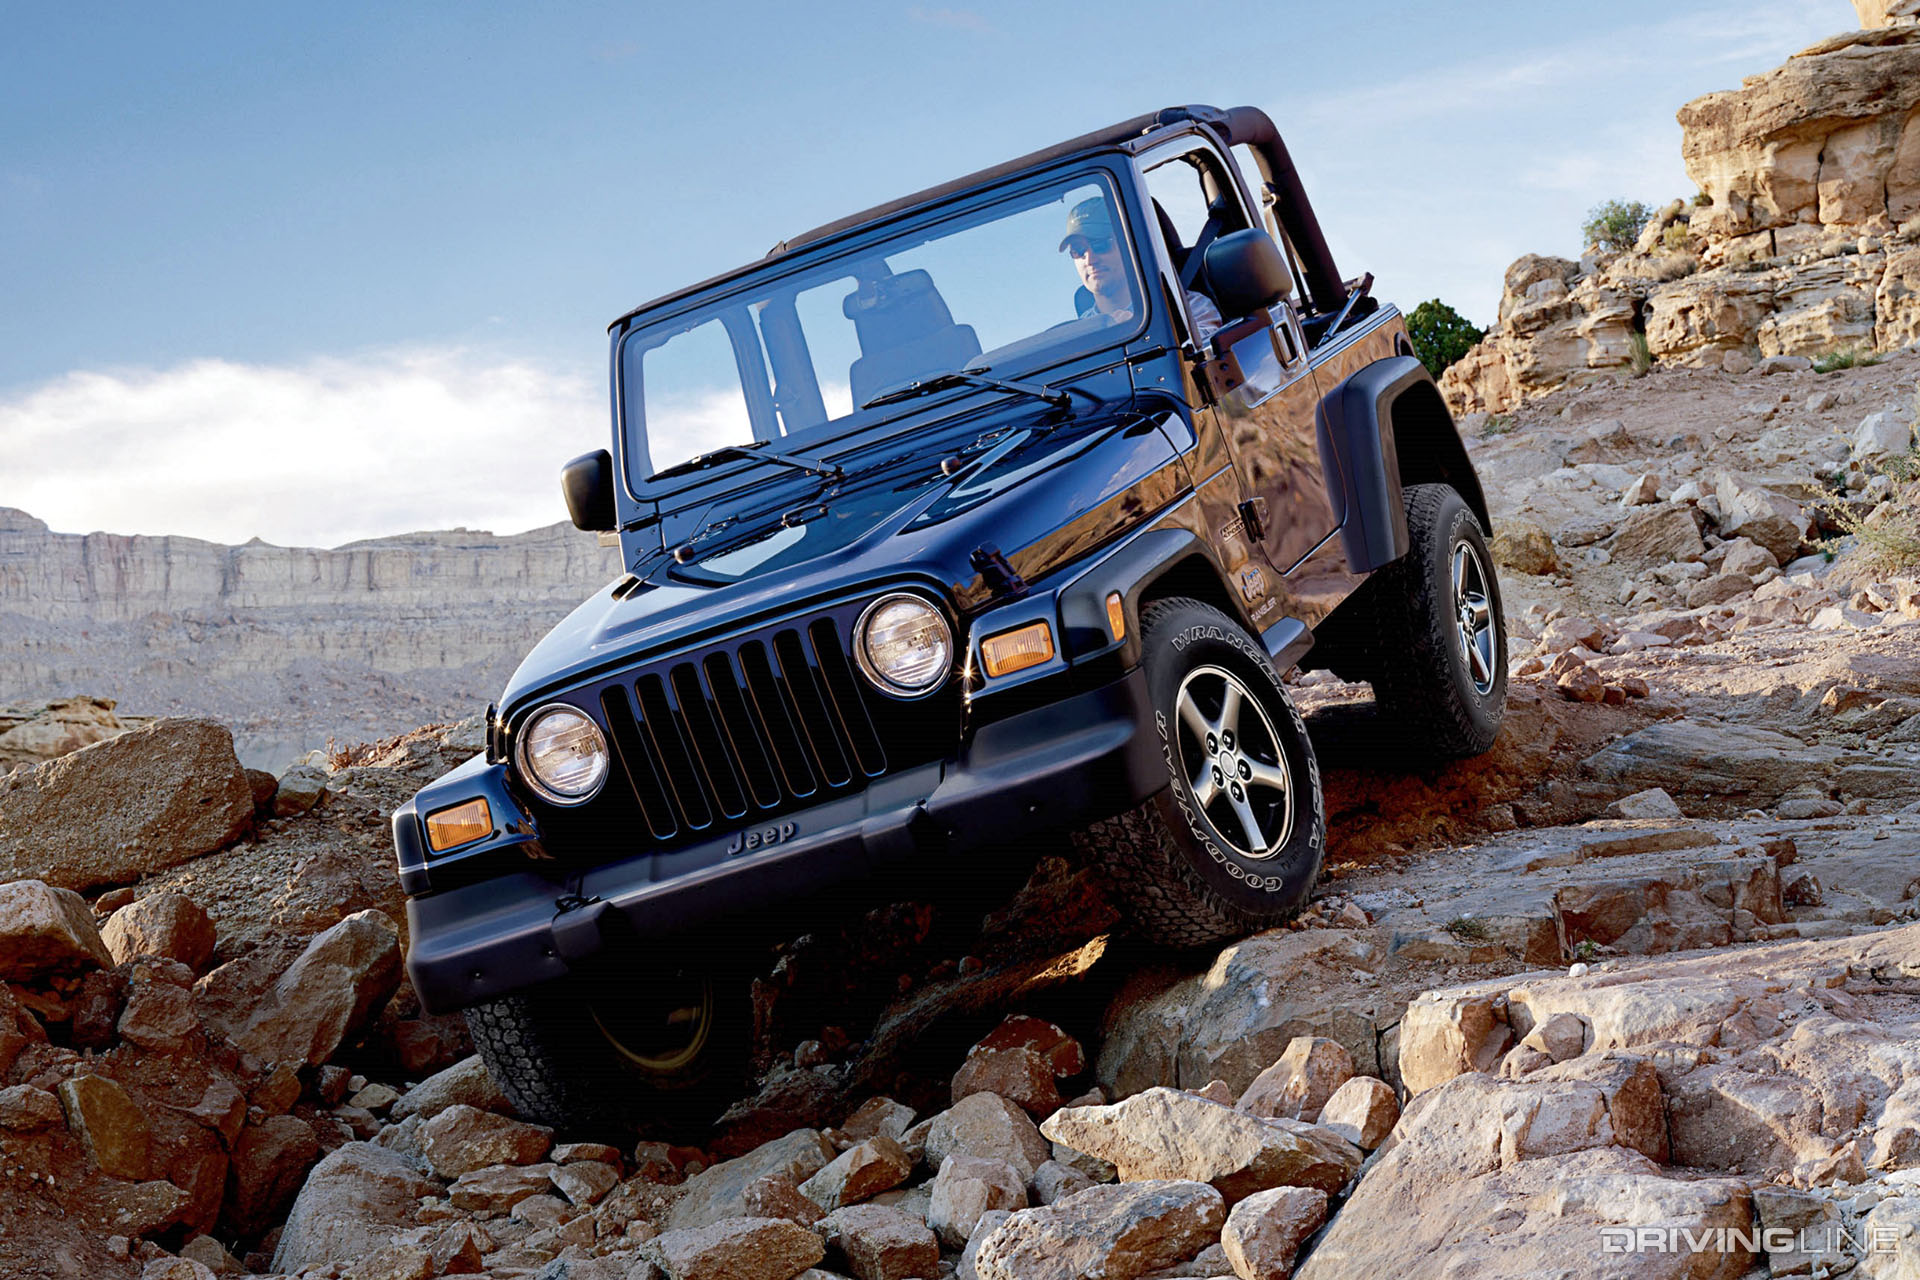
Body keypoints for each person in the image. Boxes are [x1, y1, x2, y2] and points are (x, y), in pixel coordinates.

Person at [1059, 196, 1223, 344]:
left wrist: (1141, 333)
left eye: (1100, 245)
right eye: (1078, 251)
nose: (1089, 260)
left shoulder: (1186, 308)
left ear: (1128, 246)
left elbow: (1205, 349)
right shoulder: (1078, 336)